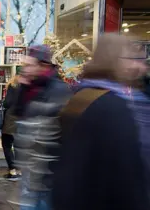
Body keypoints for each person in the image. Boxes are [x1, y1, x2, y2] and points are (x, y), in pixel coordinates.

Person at [53, 34, 150, 210]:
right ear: (117, 62)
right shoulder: (114, 106)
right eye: (134, 59)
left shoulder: (83, 96)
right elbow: (129, 174)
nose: (141, 67)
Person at [10, 45, 71, 210]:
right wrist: (22, 87)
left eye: (30, 65)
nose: (25, 69)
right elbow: (17, 112)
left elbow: (52, 118)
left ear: (43, 65)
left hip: (48, 167)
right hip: (32, 164)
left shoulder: (58, 88)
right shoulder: (31, 86)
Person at [0, 75, 21, 181]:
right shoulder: (29, 88)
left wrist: (3, 103)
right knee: (19, 146)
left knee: (7, 144)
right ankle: (19, 170)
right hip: (23, 120)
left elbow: (7, 103)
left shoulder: (13, 86)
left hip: (11, 120)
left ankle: (12, 171)